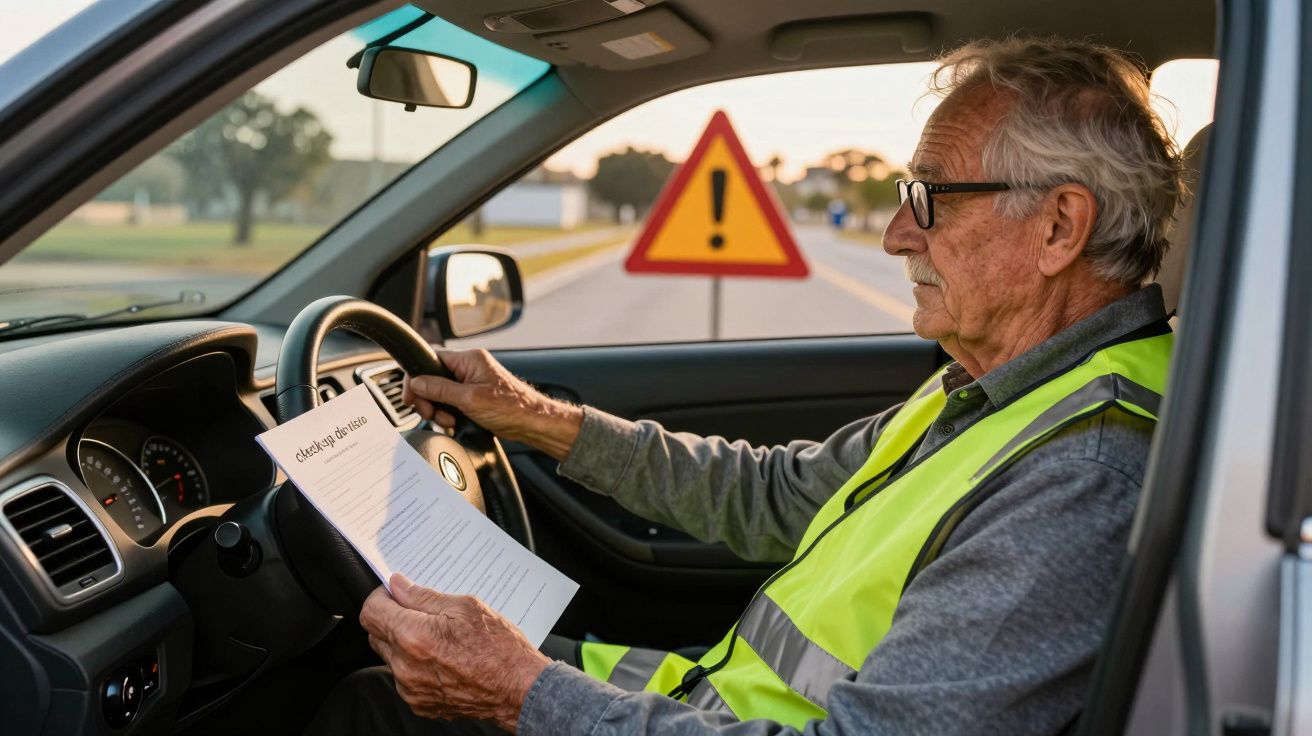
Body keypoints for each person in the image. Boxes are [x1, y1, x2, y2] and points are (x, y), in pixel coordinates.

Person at [308, 36, 1184, 736]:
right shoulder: (992, 390)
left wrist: (521, 694)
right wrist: (533, 418)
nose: (894, 235)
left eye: (928, 197)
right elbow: (771, 495)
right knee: (382, 685)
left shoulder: (1084, 473)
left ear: (1061, 226)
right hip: (712, 701)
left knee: (368, 707)